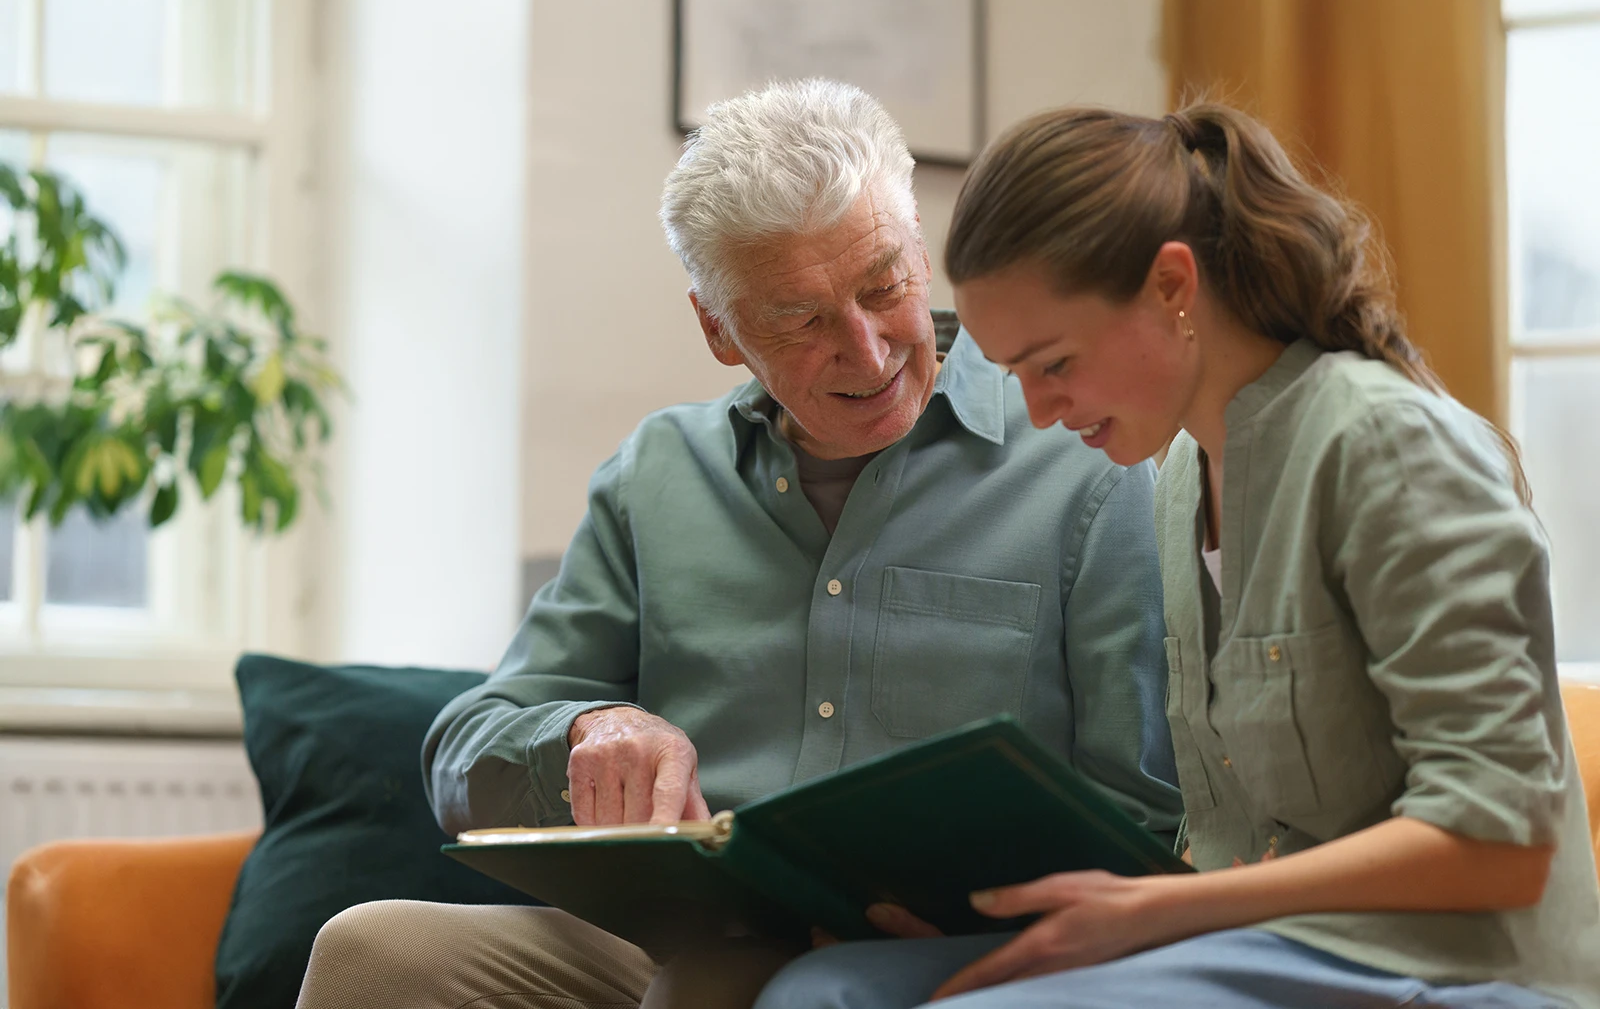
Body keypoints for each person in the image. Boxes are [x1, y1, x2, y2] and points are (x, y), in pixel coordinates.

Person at [293, 80, 1183, 1009]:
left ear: (922, 252)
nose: (869, 351)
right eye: (800, 320)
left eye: (884, 285)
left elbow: (1144, 811)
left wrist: (1001, 923)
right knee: (373, 952)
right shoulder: (658, 474)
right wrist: (588, 731)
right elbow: (462, 752)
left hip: (947, 957)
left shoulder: (1084, 459)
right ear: (719, 329)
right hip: (670, 939)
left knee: (714, 990)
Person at [753, 101, 1600, 1009]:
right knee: (824, 989)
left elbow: (1498, 844)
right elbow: (1232, 829)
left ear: (1171, 286)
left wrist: (1158, 912)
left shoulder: (1385, 447)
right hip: (1256, 947)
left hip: (1443, 970)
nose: (1039, 411)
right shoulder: (1181, 478)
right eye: (1017, 375)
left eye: (1055, 363)